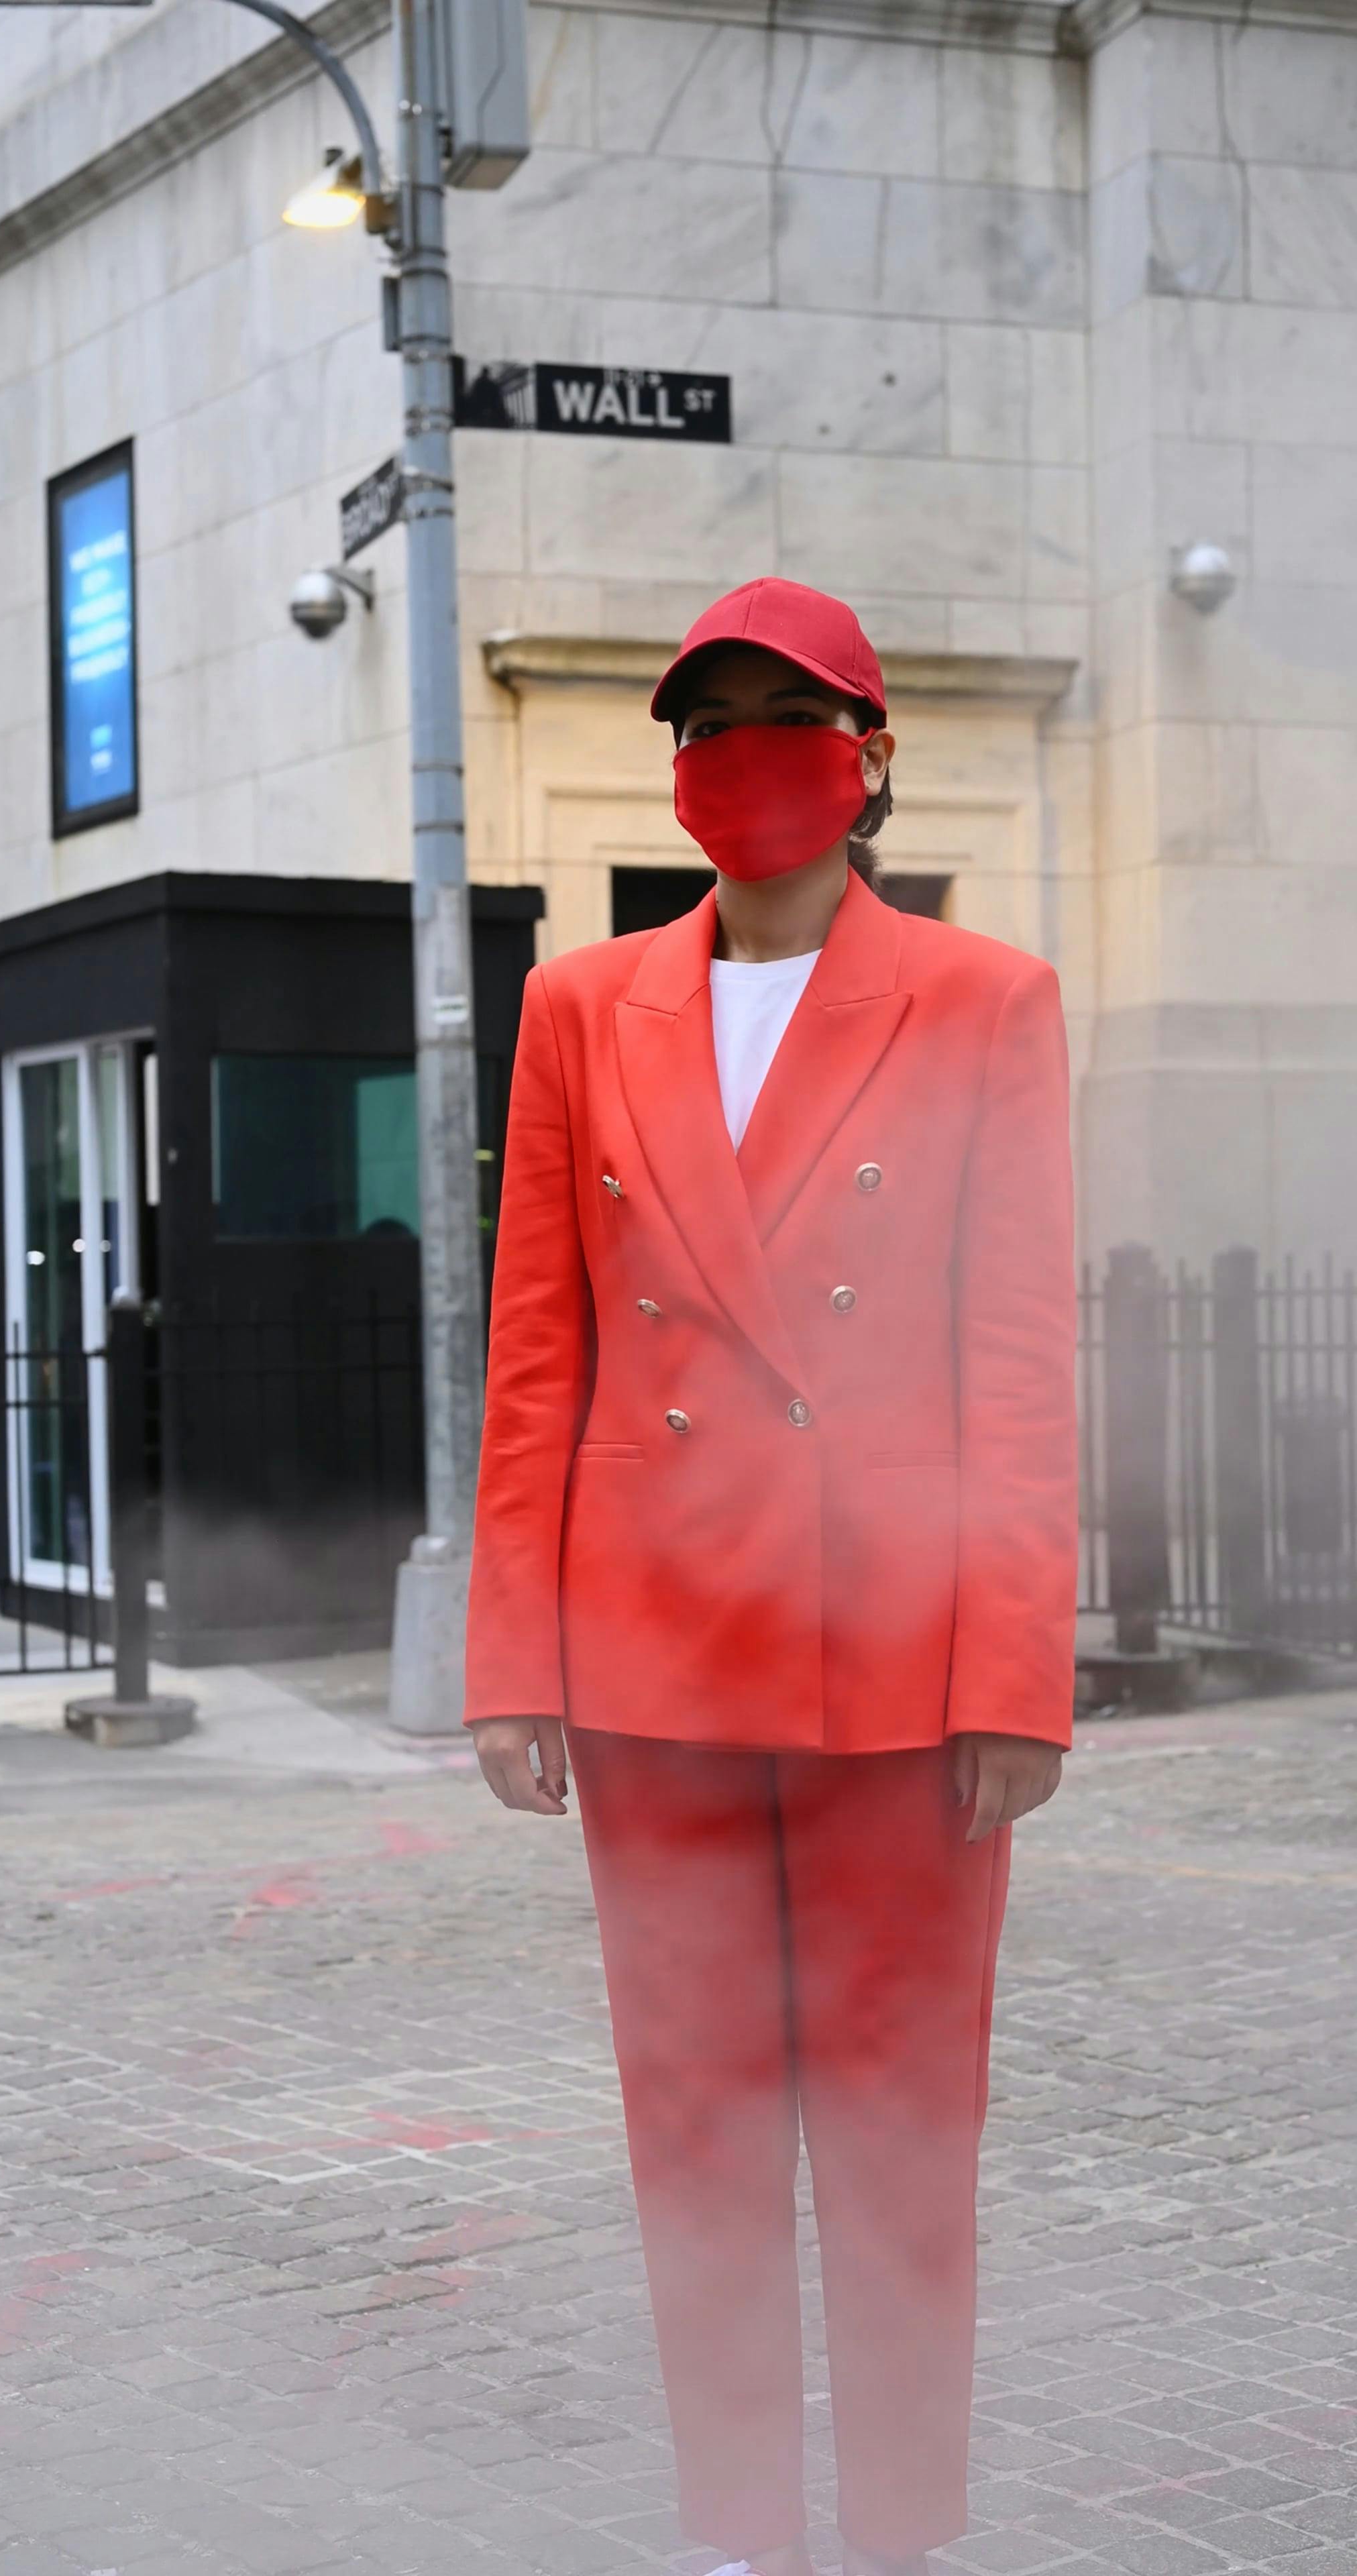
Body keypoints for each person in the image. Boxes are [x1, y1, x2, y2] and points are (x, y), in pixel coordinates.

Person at [464, 577, 1077, 2576]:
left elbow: (1018, 1355)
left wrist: (1015, 1674)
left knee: (904, 2129)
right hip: (652, 1656)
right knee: (698, 2122)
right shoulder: (581, 1003)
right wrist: (515, 1655)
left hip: (897, 1652)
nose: (740, 755)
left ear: (868, 756)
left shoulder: (985, 998)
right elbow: (539, 1348)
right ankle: (740, 2538)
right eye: (705, 723)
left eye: (782, 716)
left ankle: (896, 2543)